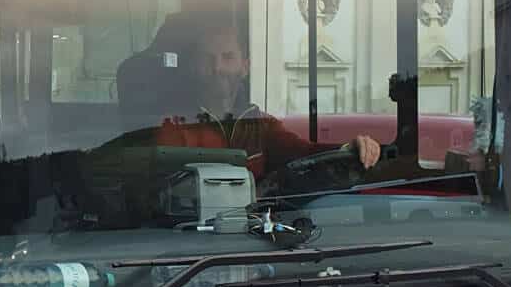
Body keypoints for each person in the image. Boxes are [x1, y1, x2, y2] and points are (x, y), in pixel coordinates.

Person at [120, 12, 381, 182]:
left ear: (245, 66)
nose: (218, 68)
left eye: (227, 57)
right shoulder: (171, 126)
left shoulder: (258, 124)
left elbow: (305, 156)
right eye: (207, 59)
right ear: (192, 66)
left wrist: (351, 149)